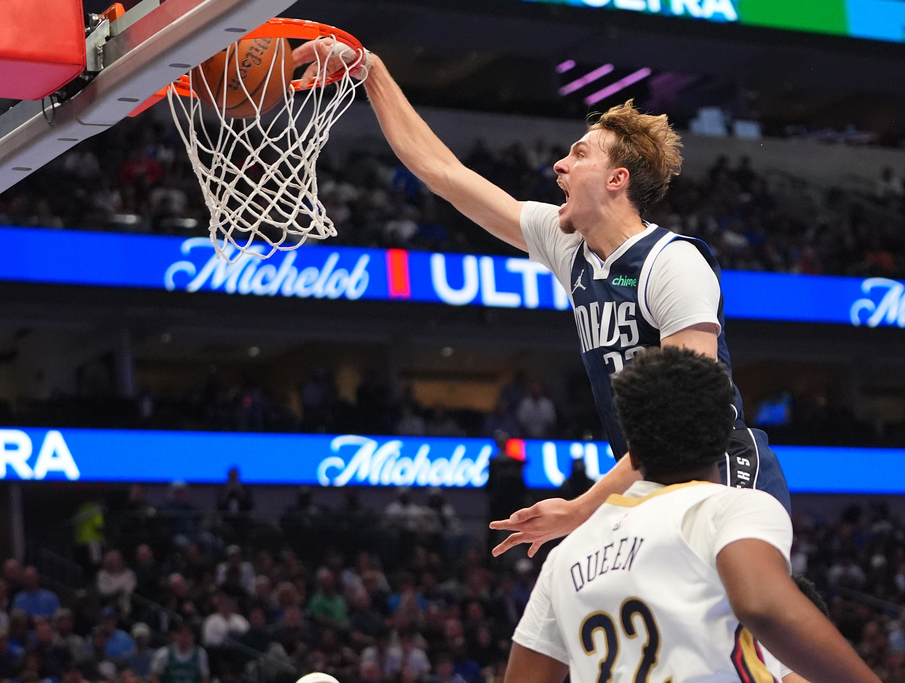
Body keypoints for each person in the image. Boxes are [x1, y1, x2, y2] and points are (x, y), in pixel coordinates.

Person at [312, 40, 790, 557]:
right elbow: (445, 175)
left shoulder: (672, 263)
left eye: (579, 154)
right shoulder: (568, 244)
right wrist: (373, 73)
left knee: (740, 632)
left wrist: (579, 510)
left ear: (617, 179)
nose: (559, 166)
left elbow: (686, 419)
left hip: (720, 473)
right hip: (648, 481)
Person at [503, 347, 877, 683]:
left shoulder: (567, 556)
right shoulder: (733, 507)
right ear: (721, 436)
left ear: (629, 449)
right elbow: (761, 606)